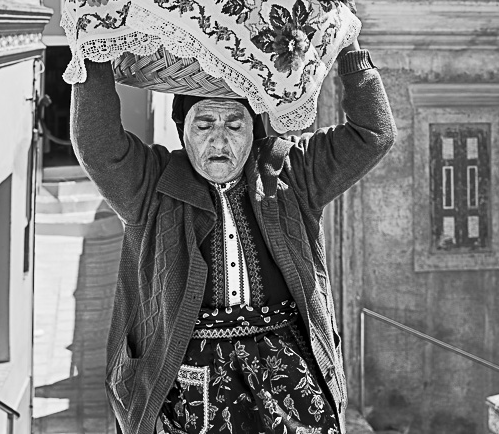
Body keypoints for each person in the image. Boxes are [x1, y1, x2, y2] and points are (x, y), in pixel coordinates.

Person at [71, 36, 396, 434]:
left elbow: (372, 134)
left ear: (254, 131)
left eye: (234, 124)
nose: (219, 140)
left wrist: (349, 50)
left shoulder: (293, 174)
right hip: (186, 387)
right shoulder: (149, 186)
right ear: (183, 130)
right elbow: (97, 144)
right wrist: (93, 48)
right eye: (204, 124)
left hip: (287, 381)